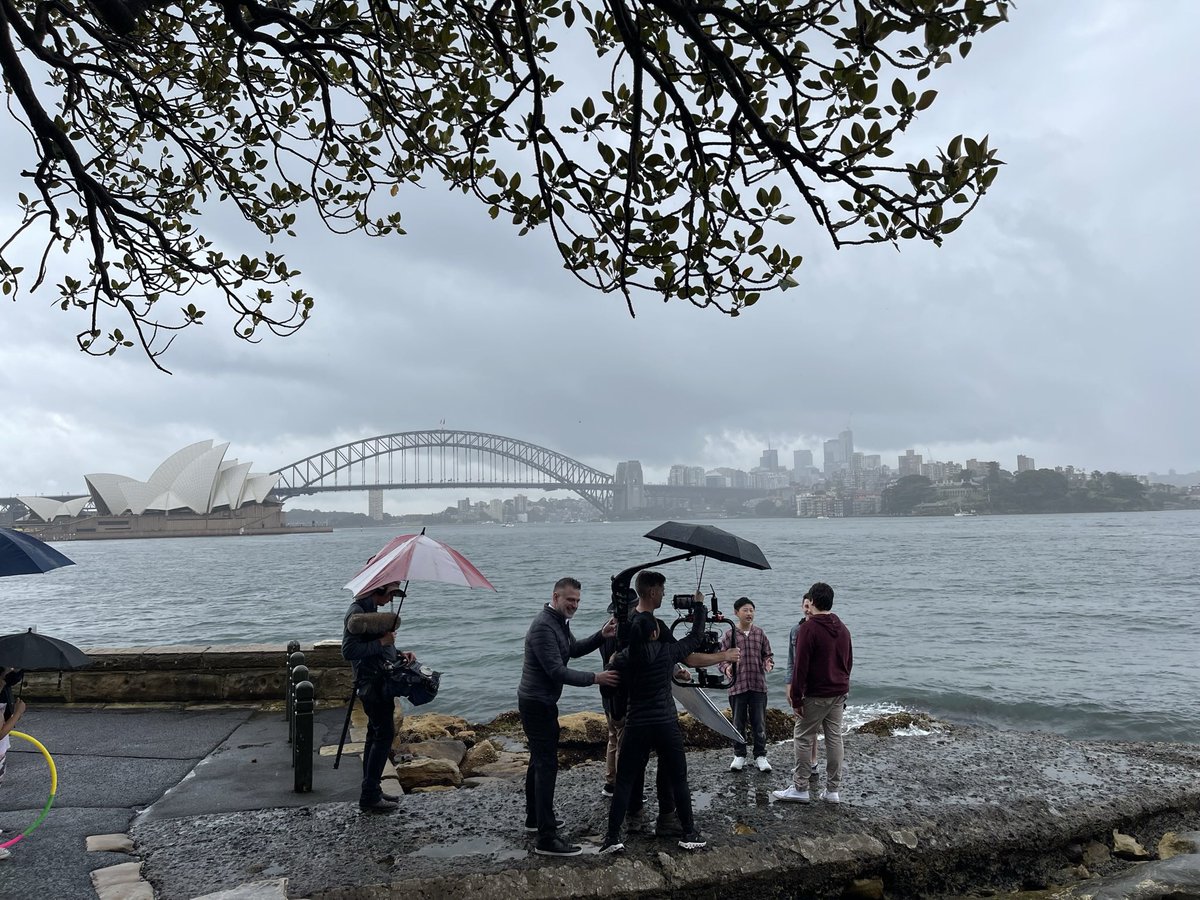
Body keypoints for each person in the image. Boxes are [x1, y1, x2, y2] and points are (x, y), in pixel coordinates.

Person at [600, 597, 736, 855]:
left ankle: (612, 838)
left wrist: (612, 665)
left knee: (625, 781)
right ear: (654, 633)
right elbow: (695, 639)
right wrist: (699, 608)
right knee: (678, 778)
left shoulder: (623, 658)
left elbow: (607, 689)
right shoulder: (667, 652)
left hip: (636, 723)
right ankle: (689, 833)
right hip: (665, 723)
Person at [518, 577, 619, 857]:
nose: (574, 605)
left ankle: (534, 818)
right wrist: (596, 678)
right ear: (556, 597)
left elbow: (571, 650)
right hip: (536, 704)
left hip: (542, 701)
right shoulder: (543, 626)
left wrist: (601, 635)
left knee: (538, 762)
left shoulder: (559, 622)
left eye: (577, 601)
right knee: (546, 766)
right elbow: (556, 671)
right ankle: (546, 838)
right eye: (569, 600)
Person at [773, 581, 852, 804]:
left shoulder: (808, 629)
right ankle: (833, 790)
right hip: (839, 691)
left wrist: (796, 698)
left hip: (816, 693)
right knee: (834, 738)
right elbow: (849, 661)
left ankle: (800, 787)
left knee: (803, 736)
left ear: (813, 601)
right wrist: (843, 684)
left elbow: (801, 666)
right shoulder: (842, 627)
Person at [341, 581, 414, 813]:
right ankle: (369, 796)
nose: (391, 599)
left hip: (379, 681)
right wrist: (382, 642)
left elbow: (377, 646)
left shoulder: (369, 611)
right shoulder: (357, 613)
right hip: (371, 684)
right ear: (378, 589)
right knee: (384, 734)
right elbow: (349, 651)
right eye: (390, 593)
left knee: (375, 734)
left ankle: (372, 789)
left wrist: (398, 653)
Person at [720, 597, 774, 773]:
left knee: (759, 723)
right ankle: (739, 755)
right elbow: (721, 659)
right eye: (745, 610)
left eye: (751, 610)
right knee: (738, 722)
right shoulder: (729, 635)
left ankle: (760, 756)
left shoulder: (760, 633)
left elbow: (767, 654)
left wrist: (768, 663)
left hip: (758, 685)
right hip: (737, 686)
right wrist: (727, 668)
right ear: (736, 613)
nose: (749, 613)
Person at [786, 591, 820, 789]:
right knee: (804, 726)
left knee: (808, 728)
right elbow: (791, 661)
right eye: (805, 606)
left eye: (810, 606)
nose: (808, 610)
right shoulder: (796, 630)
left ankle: (811, 763)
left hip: (813, 686)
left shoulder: (818, 630)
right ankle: (807, 764)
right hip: (799, 684)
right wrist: (789, 685)